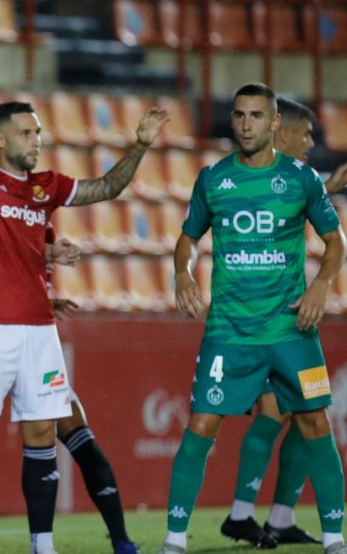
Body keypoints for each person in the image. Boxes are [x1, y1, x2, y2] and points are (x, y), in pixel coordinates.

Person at [0, 37, 167, 554]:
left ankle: (43, 545)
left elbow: (105, 189)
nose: (37, 139)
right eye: (27, 132)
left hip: (40, 333)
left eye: (38, 131)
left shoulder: (47, 186)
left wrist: (140, 145)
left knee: (41, 438)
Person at [162, 84, 346, 554]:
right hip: (229, 332)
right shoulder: (213, 179)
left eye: (256, 116)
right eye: (240, 115)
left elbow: (336, 241)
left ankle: (335, 539)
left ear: (274, 123)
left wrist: (322, 284)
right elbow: (187, 239)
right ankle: (174, 540)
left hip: (290, 329)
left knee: (315, 426)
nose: (246, 124)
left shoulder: (301, 178)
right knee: (201, 425)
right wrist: (183, 275)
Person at [220, 96, 347, 548]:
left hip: (291, 321)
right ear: (282, 133)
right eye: (306, 133)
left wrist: (323, 189)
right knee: (282, 412)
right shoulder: (244, 178)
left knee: (303, 414)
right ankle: (244, 514)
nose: (313, 141)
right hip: (262, 322)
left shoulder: (295, 180)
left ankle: (277, 517)